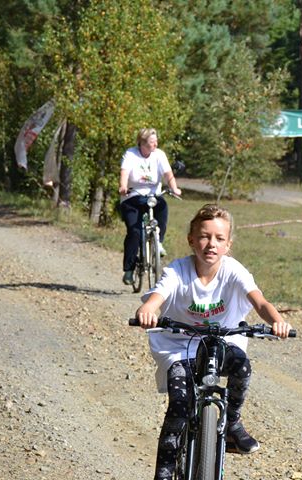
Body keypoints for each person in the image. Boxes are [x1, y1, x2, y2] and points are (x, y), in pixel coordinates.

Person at [135, 204, 293, 480]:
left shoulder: (234, 271)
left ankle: (232, 423)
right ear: (191, 240)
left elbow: (260, 302)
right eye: (204, 236)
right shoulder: (178, 271)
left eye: (219, 238)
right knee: (179, 406)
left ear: (228, 245)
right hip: (180, 346)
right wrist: (147, 310)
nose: (211, 244)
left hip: (223, 341)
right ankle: (164, 473)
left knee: (241, 367)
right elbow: (158, 297)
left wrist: (277, 321)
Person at [119, 128, 182, 285]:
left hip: (153, 197)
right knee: (134, 232)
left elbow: (168, 174)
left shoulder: (159, 155)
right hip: (132, 196)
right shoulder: (131, 154)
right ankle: (129, 269)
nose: (155, 145)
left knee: (163, 207)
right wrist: (123, 186)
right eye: (151, 143)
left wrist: (174, 188)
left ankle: (158, 242)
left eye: (156, 141)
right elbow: (124, 172)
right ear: (141, 143)